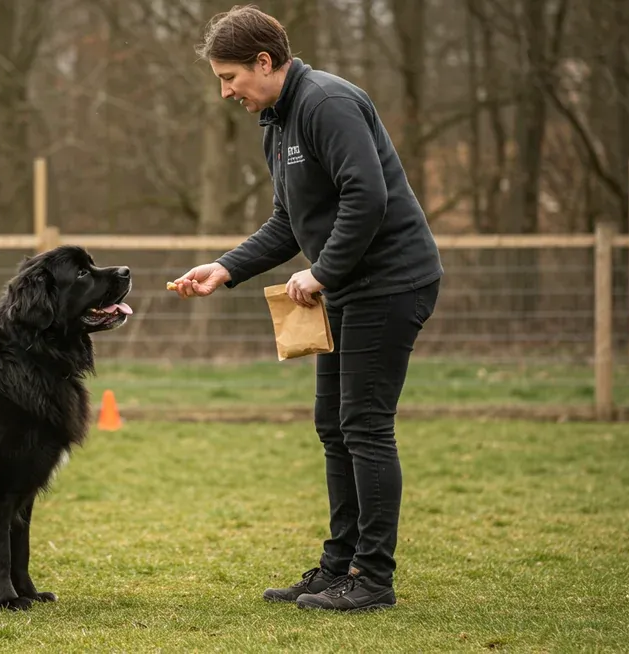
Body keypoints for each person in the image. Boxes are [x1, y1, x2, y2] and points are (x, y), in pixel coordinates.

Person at [171, 5, 443, 612]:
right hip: (346, 288)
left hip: (391, 282)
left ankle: (372, 579)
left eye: (230, 76)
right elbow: (290, 222)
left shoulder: (327, 103)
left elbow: (366, 195)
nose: (225, 92)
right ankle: (339, 565)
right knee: (333, 426)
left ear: (264, 63)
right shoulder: (277, 121)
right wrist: (226, 267)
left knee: (365, 426)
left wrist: (321, 271)